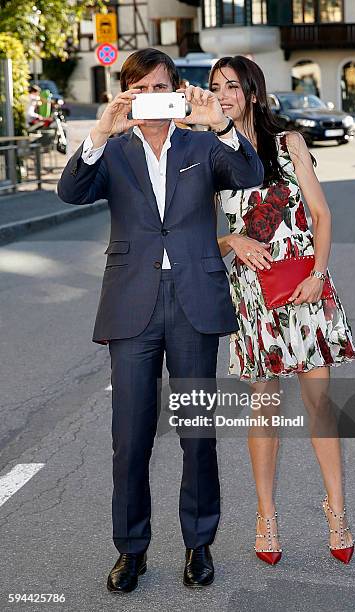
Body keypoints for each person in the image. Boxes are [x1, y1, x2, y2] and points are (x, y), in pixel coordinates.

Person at [57, 48, 263, 592]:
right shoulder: (115, 151)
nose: (151, 98)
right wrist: (100, 131)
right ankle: (132, 551)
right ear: (128, 94)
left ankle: (199, 544)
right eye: (139, 88)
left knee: (197, 433)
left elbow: (249, 172)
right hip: (132, 306)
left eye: (160, 87)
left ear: (176, 91)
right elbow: (71, 190)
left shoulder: (201, 144)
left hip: (193, 301)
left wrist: (220, 123)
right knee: (130, 436)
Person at [211, 56, 355, 566]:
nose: (224, 94)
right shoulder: (209, 154)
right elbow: (200, 238)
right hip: (253, 299)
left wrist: (318, 275)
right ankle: (266, 516)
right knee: (265, 407)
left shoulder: (288, 142)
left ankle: (336, 509)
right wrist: (231, 237)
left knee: (318, 403)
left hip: (305, 289)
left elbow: (320, 213)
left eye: (232, 86)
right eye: (215, 88)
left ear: (252, 91)